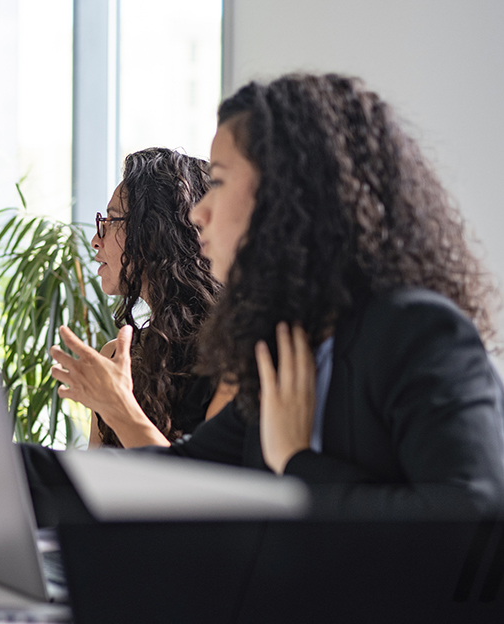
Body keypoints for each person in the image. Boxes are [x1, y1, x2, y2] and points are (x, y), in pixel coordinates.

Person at [27, 73, 504, 524]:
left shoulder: (419, 333)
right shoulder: (285, 349)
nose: (199, 213)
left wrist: (299, 465)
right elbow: (181, 481)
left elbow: (472, 518)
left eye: (218, 181)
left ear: (286, 194)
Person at [0, 148, 231, 516]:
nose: (96, 241)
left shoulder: (230, 359)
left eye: (111, 221)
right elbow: (91, 486)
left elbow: (200, 508)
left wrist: (117, 406)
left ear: (154, 231)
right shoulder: (118, 357)